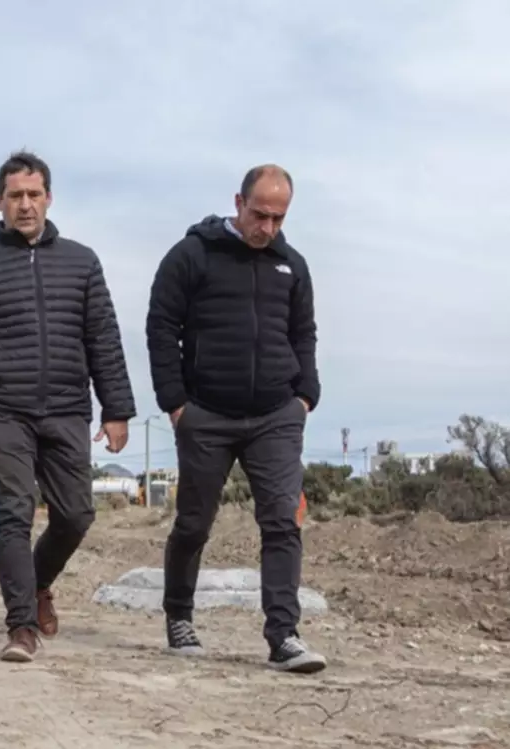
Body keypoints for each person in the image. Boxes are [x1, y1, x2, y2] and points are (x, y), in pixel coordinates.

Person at [0, 151, 136, 662]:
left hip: (67, 407)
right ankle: (21, 625)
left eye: (34, 194)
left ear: (49, 198)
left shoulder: (82, 262)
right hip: (2, 409)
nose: (25, 205)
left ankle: (38, 581)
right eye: (15, 196)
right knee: (14, 512)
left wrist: (116, 408)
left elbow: (104, 338)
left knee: (77, 514)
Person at [146, 164, 326, 674]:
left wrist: (305, 395)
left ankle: (284, 635)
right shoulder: (191, 255)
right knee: (194, 523)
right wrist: (175, 402)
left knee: (282, 522)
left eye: (278, 218)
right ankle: (179, 616)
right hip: (205, 414)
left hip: (276, 416)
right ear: (238, 203)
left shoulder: (292, 265)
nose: (267, 227)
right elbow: (161, 327)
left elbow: (304, 333)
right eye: (260, 214)